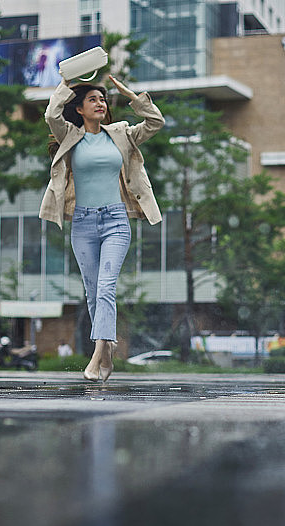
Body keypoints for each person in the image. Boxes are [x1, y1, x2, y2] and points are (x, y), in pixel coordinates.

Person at [40, 74, 165, 382]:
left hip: (115, 222)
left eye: (103, 99)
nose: (100, 104)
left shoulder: (121, 133)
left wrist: (132, 96)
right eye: (93, 99)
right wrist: (66, 83)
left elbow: (155, 122)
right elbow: (51, 114)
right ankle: (108, 349)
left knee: (106, 287)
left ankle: (97, 357)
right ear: (79, 108)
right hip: (82, 224)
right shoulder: (70, 135)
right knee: (93, 292)